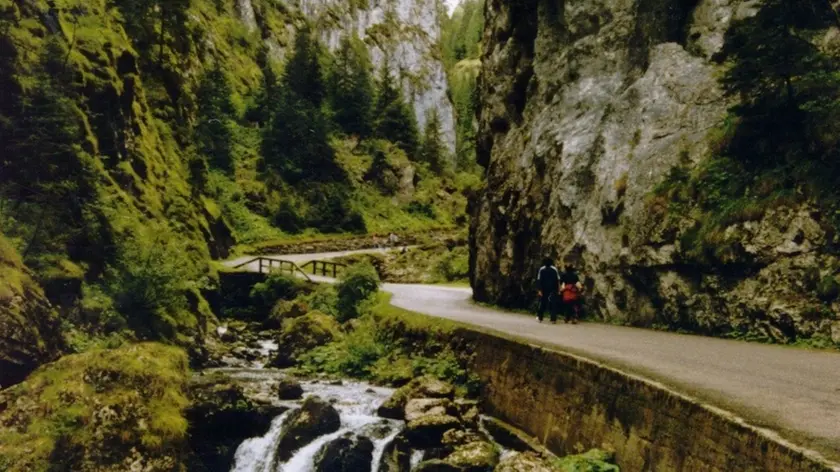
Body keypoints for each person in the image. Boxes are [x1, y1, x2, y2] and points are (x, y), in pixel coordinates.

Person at [536, 257, 560, 324]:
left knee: (543, 303)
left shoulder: (542, 269)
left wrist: (539, 290)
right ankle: (553, 319)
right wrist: (558, 289)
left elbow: (539, 280)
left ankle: (540, 317)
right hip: (553, 289)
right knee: (553, 304)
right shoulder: (554, 269)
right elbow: (557, 280)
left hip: (544, 289)